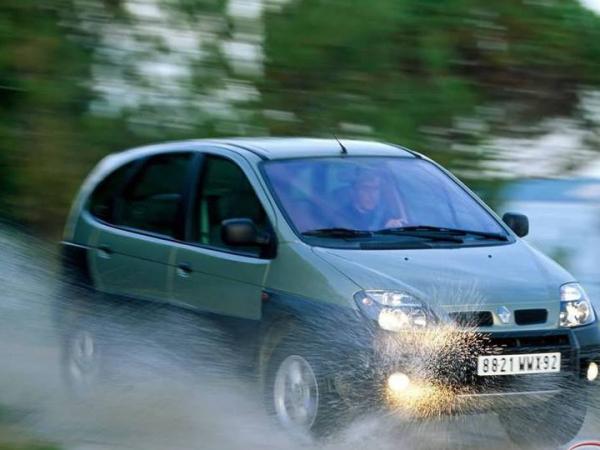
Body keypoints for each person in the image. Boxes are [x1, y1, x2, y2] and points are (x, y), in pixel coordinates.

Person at [336, 168, 407, 231]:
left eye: (375, 189)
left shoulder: (386, 213)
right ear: (353, 192)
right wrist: (383, 228)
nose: (372, 195)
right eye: (366, 189)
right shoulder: (342, 215)